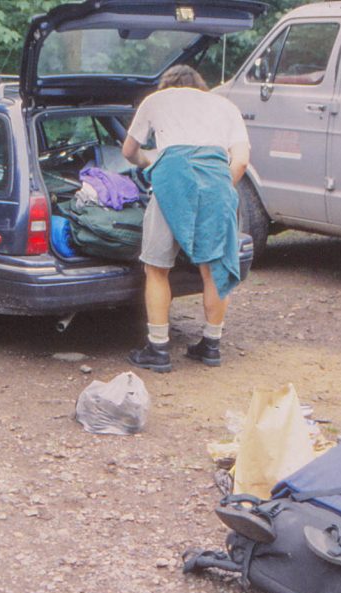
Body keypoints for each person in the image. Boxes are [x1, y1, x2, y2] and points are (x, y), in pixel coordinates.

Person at [122, 65, 250, 372]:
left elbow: (129, 151)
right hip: (217, 183)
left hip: (171, 181)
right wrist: (216, 190)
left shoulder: (156, 100)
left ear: (166, 85)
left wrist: (149, 163)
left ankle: (158, 349)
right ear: (201, 86)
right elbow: (242, 162)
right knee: (214, 267)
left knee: (157, 268)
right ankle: (211, 346)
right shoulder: (226, 106)